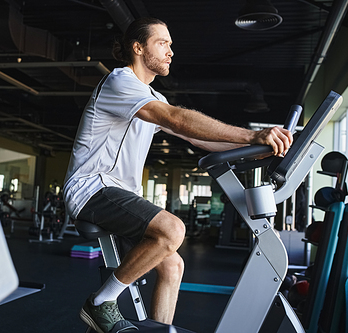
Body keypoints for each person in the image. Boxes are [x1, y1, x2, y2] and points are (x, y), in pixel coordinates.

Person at [63, 17, 293, 333]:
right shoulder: (120, 82)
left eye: (171, 44)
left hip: (118, 193)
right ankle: (101, 303)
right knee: (172, 230)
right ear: (138, 47)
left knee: (172, 264)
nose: (171, 51)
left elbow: (198, 139)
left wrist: (255, 149)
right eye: (163, 43)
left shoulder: (153, 96)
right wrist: (250, 136)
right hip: (90, 189)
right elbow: (175, 119)